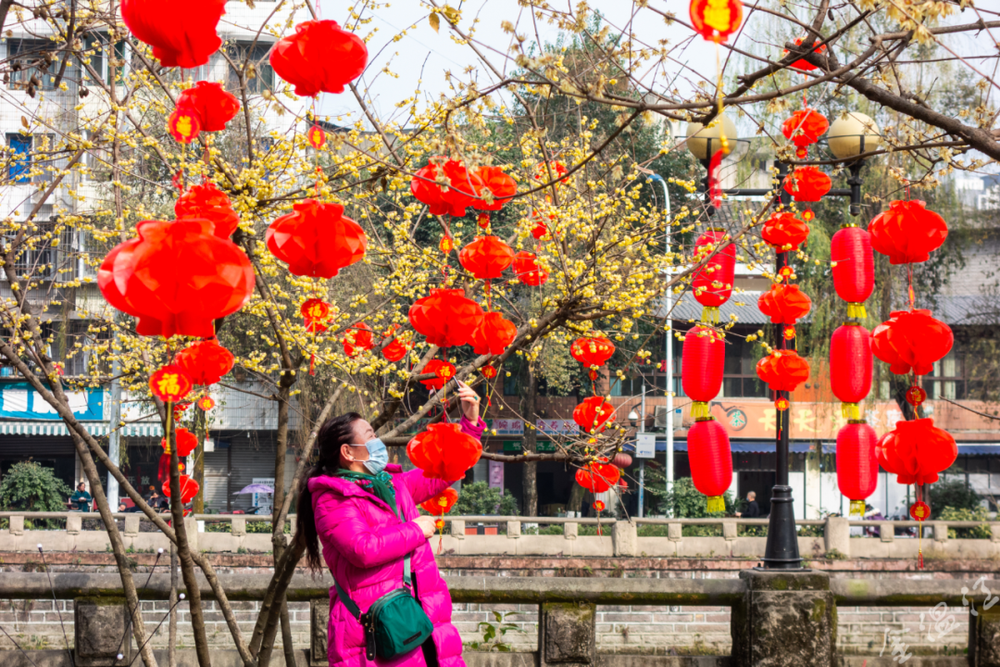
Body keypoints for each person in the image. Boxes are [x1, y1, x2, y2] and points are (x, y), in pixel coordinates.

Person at [296, 380, 484, 667]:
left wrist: (470, 425)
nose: (377, 441)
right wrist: (416, 530)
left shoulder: (393, 484)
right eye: (370, 435)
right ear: (348, 452)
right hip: (376, 633)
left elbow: (442, 472)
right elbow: (362, 549)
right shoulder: (332, 499)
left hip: (422, 621)